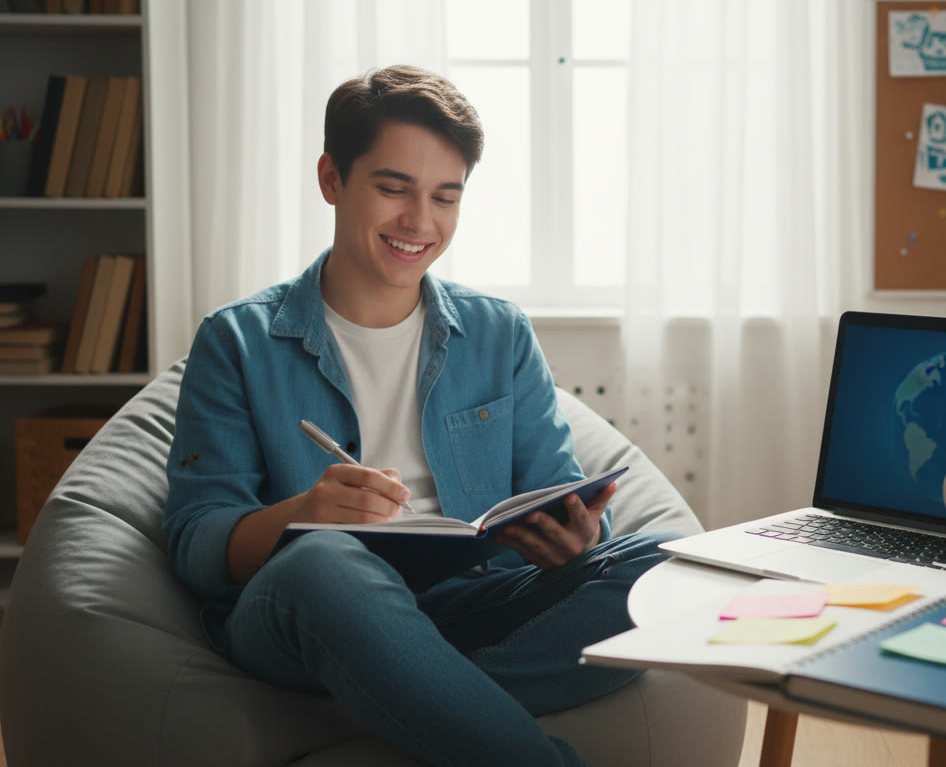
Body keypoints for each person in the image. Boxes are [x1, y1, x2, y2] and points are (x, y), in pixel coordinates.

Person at [162, 65, 677, 767]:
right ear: (331, 179)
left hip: (477, 603)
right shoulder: (236, 340)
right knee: (324, 561)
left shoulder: (499, 334)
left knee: (663, 571)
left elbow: (563, 491)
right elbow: (196, 544)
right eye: (393, 187)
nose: (420, 222)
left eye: (445, 197)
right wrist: (305, 511)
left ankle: (391, 693)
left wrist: (580, 537)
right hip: (305, 607)